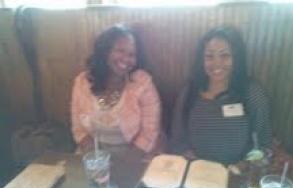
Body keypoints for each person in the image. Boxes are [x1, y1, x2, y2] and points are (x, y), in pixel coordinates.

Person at [170, 26, 272, 164]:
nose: (216, 63)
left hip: (235, 173)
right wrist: (188, 158)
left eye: (225, 55)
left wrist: (242, 167)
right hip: (195, 171)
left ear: (237, 57)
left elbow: (262, 143)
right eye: (209, 56)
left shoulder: (252, 93)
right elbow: (177, 137)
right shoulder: (190, 91)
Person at [71, 24, 161, 154]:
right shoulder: (82, 82)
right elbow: (79, 129)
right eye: (120, 51)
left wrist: (123, 163)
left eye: (132, 54)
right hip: (93, 154)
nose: (126, 59)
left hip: (134, 155)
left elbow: (148, 134)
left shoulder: (143, 83)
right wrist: (97, 158)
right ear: (105, 51)